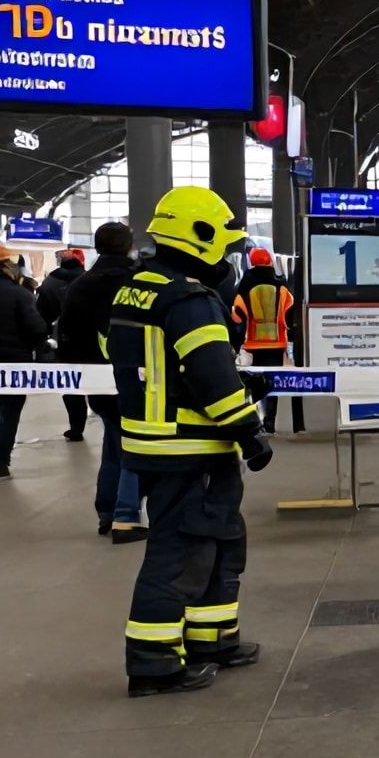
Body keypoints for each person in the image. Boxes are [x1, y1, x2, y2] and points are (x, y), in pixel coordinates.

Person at [114, 187, 273, 697]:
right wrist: (250, 432)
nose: (227, 258)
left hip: (158, 441)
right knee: (179, 552)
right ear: (198, 237)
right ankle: (155, 662)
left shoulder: (135, 289)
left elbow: (155, 364)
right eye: (223, 246)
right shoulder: (189, 299)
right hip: (189, 445)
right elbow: (210, 378)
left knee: (220, 541)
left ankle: (212, 640)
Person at [58, 223, 146, 541]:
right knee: (134, 442)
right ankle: (125, 516)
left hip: (95, 378)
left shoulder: (80, 286)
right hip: (138, 375)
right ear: (129, 246)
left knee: (114, 439)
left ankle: (107, 510)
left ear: (97, 247)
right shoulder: (139, 281)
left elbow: (65, 334)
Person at [0, 246, 49, 478]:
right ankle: (1, 460)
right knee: (9, 409)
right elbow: (36, 328)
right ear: (7, 265)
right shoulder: (20, 294)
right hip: (14, 362)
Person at [231, 248, 296, 434]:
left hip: (253, 344)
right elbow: (290, 314)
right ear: (269, 263)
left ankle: (256, 420)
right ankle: (270, 421)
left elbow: (236, 315)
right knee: (272, 383)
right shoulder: (281, 286)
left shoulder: (244, 286)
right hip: (276, 344)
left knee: (255, 382)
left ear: (252, 263)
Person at [36, 248, 89, 441]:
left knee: (71, 386)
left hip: (62, 344)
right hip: (90, 342)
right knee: (97, 384)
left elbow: (40, 315)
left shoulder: (48, 284)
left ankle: (76, 428)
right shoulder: (88, 281)